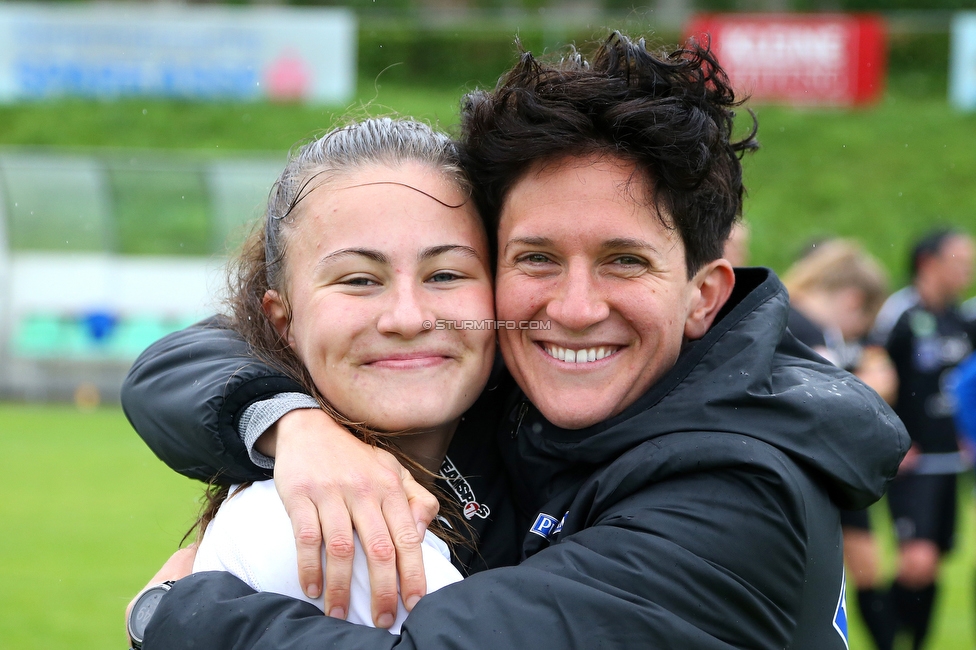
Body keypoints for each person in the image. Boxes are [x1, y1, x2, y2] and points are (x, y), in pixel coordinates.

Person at [124, 34, 908, 649]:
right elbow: (197, 353)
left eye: (623, 261)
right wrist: (290, 422)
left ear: (703, 297)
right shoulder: (519, 400)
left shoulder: (736, 497)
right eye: (536, 258)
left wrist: (165, 617)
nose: (570, 308)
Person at [176, 118, 502, 636]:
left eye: (444, 274)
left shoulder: (527, 455)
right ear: (284, 320)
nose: (407, 317)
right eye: (358, 280)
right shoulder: (309, 528)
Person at [782, 238, 897, 650]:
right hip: (809, 477)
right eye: (864, 320)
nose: (862, 334)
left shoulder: (787, 317)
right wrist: (872, 391)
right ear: (852, 300)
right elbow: (823, 409)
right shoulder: (805, 329)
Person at [871, 228, 976, 650]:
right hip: (912, 463)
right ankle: (888, 639)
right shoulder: (900, 314)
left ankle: (916, 644)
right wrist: (889, 439)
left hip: (952, 462)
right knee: (917, 561)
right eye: (959, 260)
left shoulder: (963, 320)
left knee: (934, 566)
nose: (967, 269)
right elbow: (870, 378)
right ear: (929, 263)